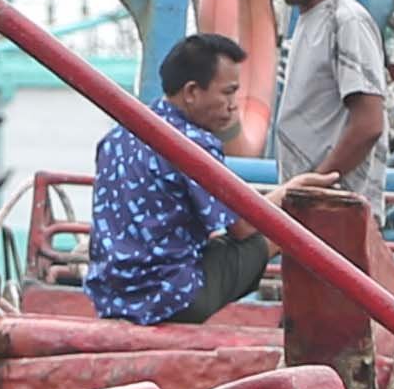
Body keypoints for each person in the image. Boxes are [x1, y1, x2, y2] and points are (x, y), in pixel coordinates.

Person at [84, 34, 269, 325]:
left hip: (110, 298)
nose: (234, 106)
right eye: (228, 93)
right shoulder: (192, 144)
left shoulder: (116, 137)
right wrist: (286, 196)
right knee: (276, 233)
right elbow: (244, 229)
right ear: (192, 92)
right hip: (171, 300)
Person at [259, 0, 392, 190]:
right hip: (309, 202)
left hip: (333, 207)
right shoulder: (309, 19)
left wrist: (315, 185)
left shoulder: (346, 21)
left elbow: (369, 124)